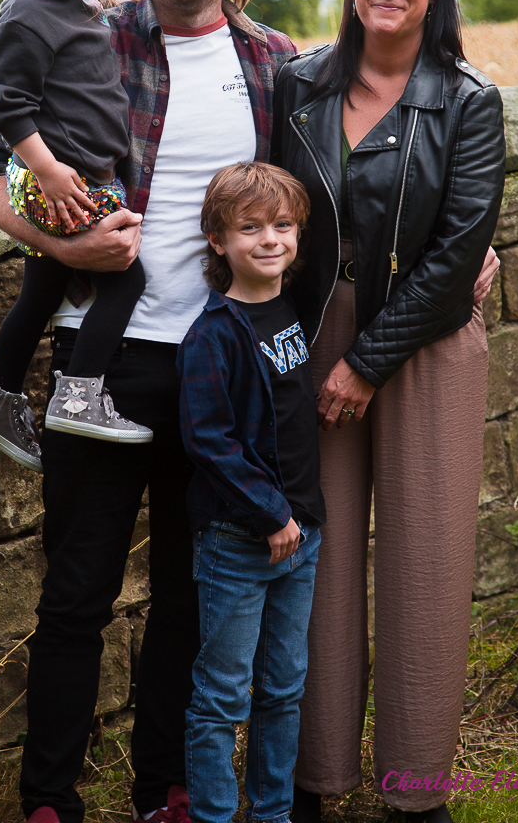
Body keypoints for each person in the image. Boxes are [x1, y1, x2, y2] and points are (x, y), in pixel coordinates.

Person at [0, 0, 298, 823]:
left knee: (192, 595)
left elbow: (350, 174)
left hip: (220, 368)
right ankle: (50, 801)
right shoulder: (87, 33)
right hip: (101, 363)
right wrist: (69, 242)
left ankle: (169, 790)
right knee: (76, 593)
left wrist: (465, 233)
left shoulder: (275, 63)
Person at [272, 0, 506, 823]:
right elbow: (268, 208)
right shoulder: (296, 86)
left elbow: (458, 251)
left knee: (428, 563)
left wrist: (367, 364)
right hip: (318, 331)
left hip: (429, 342)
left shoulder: (469, 99)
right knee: (315, 564)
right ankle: (314, 779)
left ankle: (415, 794)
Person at [0, 0, 150, 471]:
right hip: (63, 179)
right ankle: (80, 395)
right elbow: (2, 103)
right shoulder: (26, 17)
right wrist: (46, 171)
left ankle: (0, 397)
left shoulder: (77, 7)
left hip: (81, 174)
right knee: (126, 279)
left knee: (41, 291)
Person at [178, 161, 324, 823]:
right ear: (218, 241)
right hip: (240, 543)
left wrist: (297, 522)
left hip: (302, 538)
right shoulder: (214, 335)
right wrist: (271, 517)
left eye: (283, 225)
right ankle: (212, 815)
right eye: (251, 228)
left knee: (284, 689)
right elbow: (211, 443)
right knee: (221, 697)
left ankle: (273, 813)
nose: (270, 240)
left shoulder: (289, 310)